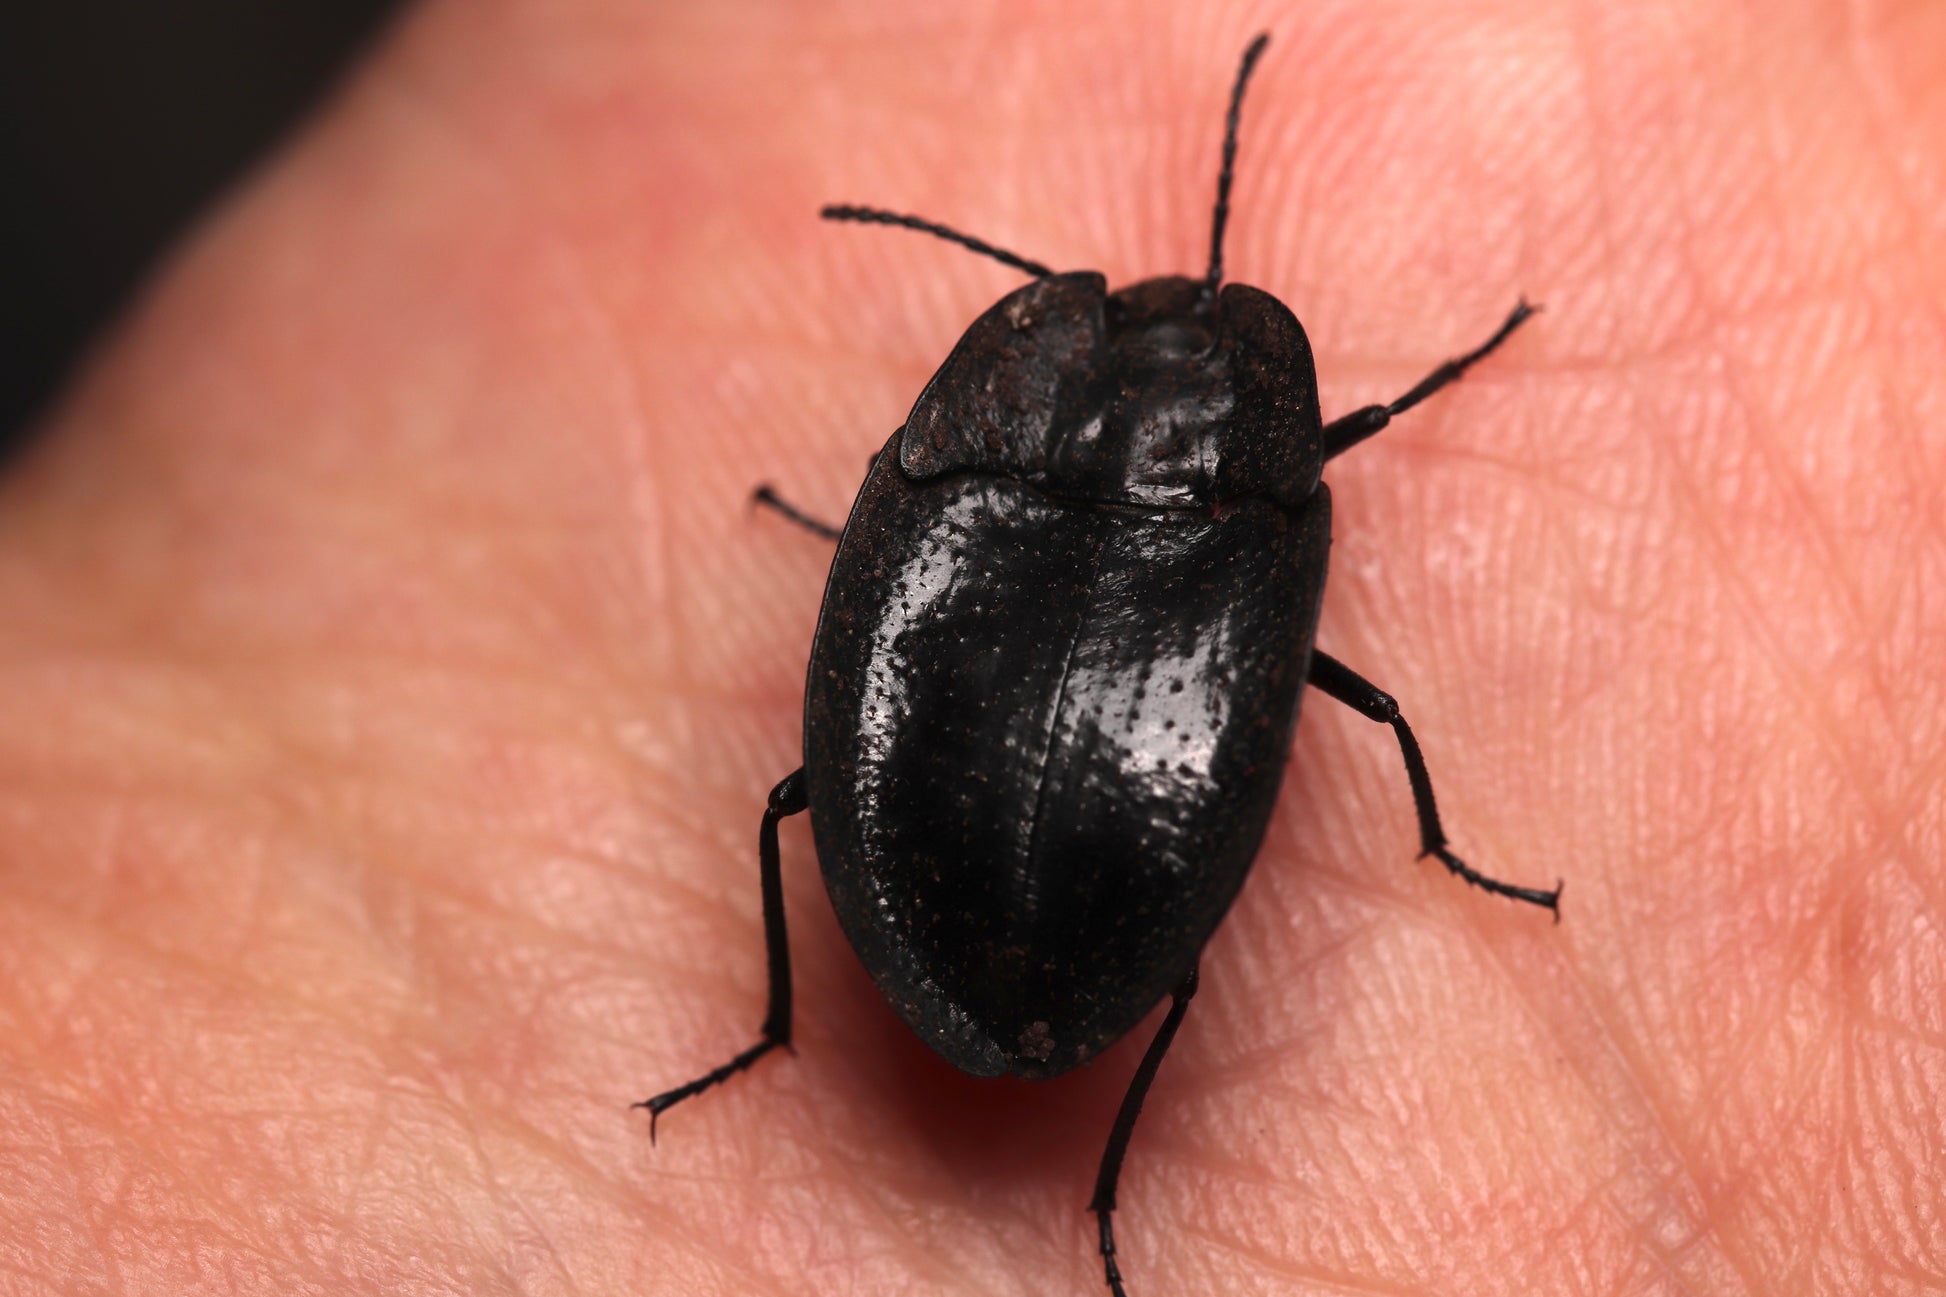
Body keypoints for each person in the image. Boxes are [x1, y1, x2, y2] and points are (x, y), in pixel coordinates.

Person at [1, 3, 1937, 1292]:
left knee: (820, 811)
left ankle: (971, 1121)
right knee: (1028, 877)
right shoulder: (1234, 519)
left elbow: (915, 536)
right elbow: (925, 538)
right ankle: (881, 1081)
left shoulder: (989, 494)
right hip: (1053, 879)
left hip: (1016, 859)